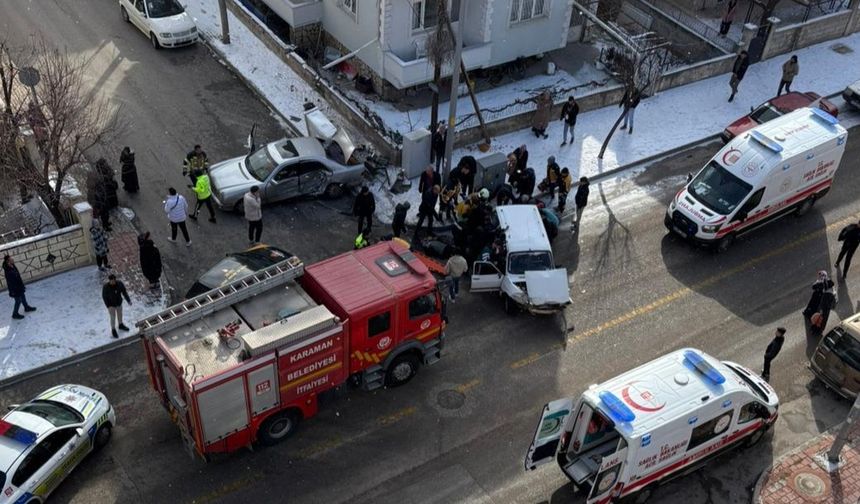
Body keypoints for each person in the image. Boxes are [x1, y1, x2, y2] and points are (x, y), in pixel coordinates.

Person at [3, 255, 35, 320]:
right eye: (11, 259)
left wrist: (21, 285)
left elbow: (18, 276)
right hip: (14, 289)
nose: (13, 259)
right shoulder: (8, 270)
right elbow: (11, 282)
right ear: (8, 262)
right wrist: (14, 291)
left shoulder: (12, 266)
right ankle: (15, 314)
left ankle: (26, 307)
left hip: (19, 286)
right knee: (18, 301)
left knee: (23, 296)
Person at [102, 274, 131, 339]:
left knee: (120, 314)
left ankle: (120, 324)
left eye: (114, 280)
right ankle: (113, 329)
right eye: (111, 281)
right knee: (112, 317)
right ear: (109, 280)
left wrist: (128, 300)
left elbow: (124, 292)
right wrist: (108, 305)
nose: (113, 282)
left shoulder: (119, 284)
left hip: (118, 302)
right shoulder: (106, 287)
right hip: (111, 305)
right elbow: (104, 297)